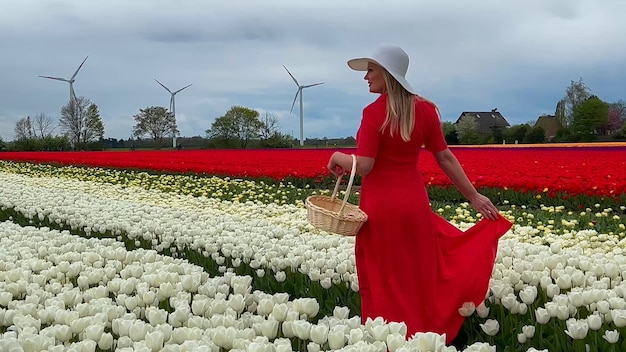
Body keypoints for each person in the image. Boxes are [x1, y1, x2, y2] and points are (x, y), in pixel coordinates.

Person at [327, 45, 513, 345]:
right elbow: (446, 158)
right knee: (417, 273)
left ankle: (389, 339)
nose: (366, 77)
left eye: (371, 70)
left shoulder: (374, 113)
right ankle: (426, 338)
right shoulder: (425, 110)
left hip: (380, 207)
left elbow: (365, 165)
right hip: (413, 202)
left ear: (388, 74)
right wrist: (475, 197)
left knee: (384, 275)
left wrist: (338, 156)